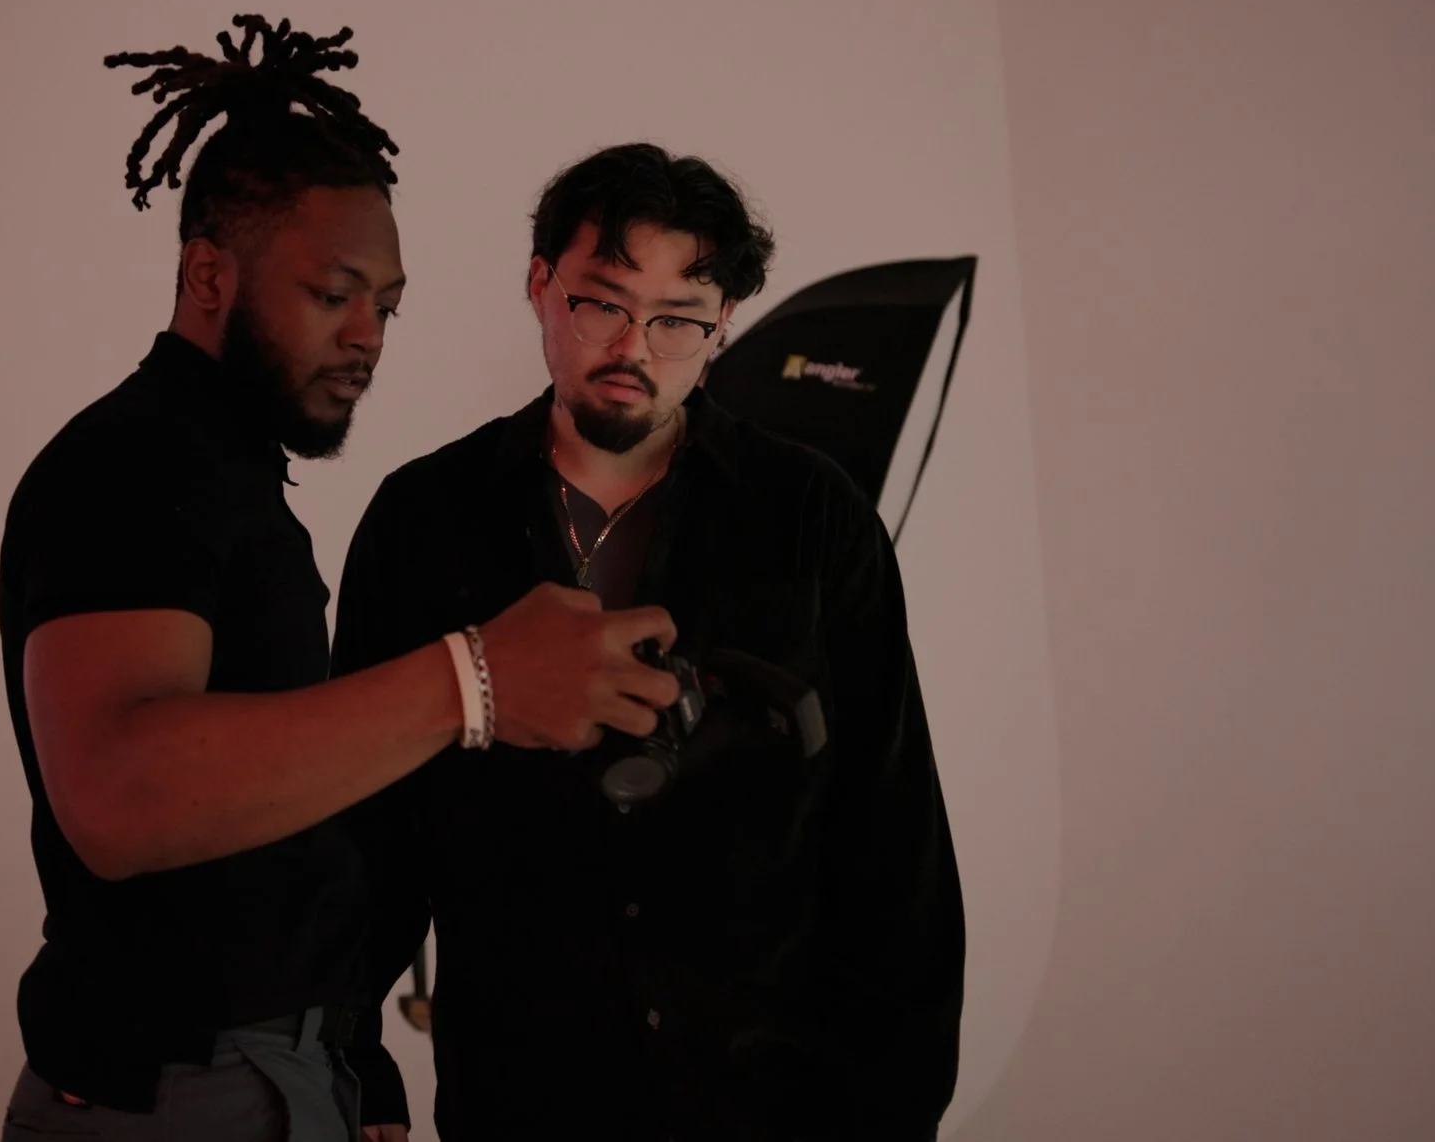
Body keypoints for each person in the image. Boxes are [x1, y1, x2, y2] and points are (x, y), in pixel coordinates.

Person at [0, 18, 684, 1142]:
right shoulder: (136, 466)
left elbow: (289, 812)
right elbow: (118, 796)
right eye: (334, 293)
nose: (369, 336)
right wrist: (475, 681)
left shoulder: (224, 475)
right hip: (186, 1089)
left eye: (388, 304)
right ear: (208, 273)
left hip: (267, 1071)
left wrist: (349, 1057)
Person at [334, 144, 965, 1142]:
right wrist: (354, 1063)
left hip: (773, 1106)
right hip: (518, 1092)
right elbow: (368, 825)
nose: (635, 346)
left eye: (677, 318)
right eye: (603, 303)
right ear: (540, 285)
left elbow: (893, 841)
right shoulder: (426, 516)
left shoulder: (813, 517)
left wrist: (894, 1110)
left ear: (724, 323)